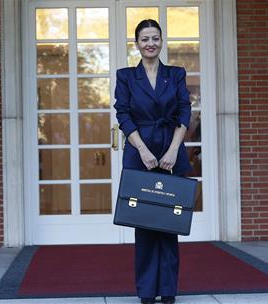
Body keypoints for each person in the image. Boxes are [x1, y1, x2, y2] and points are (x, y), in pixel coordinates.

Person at [114, 19, 192, 304]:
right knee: (145, 225)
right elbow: (123, 115)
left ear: (162, 41)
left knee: (169, 224)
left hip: (171, 151)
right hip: (139, 153)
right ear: (137, 44)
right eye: (145, 39)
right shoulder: (126, 76)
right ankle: (147, 292)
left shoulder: (176, 74)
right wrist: (144, 151)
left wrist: (173, 150)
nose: (151, 43)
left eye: (155, 38)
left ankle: (169, 291)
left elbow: (185, 111)